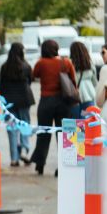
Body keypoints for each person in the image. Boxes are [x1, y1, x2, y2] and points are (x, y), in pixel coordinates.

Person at [26, 39, 76, 176]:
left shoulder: (41, 63)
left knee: (44, 132)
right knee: (63, 134)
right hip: (63, 102)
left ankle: (40, 164)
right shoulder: (66, 62)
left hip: (46, 101)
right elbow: (73, 80)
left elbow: (34, 74)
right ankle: (64, 166)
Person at [0, 42, 34, 167]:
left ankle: (14, 158)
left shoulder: (4, 67)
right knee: (24, 124)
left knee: (12, 129)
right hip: (24, 99)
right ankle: (24, 150)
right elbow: (30, 82)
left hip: (8, 102)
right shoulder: (26, 66)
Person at [70, 41, 97, 119]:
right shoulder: (90, 64)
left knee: (74, 124)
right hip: (88, 98)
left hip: (74, 99)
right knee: (86, 122)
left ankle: (77, 131)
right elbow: (95, 82)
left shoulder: (70, 64)